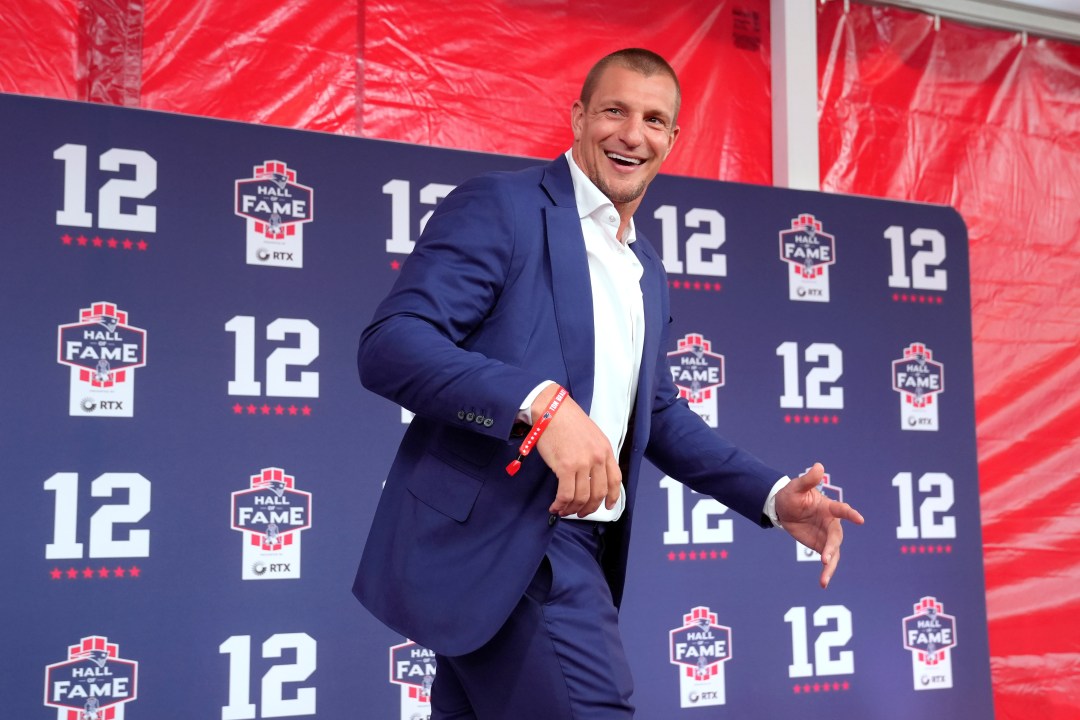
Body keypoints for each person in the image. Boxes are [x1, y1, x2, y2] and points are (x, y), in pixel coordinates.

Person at [354, 48, 864, 719]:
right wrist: (540, 407)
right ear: (577, 117)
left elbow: (657, 412)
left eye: (654, 120)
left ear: (672, 140)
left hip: (561, 553)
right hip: (518, 542)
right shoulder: (501, 208)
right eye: (615, 111)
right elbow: (391, 346)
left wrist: (771, 496)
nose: (633, 134)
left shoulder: (644, 268)